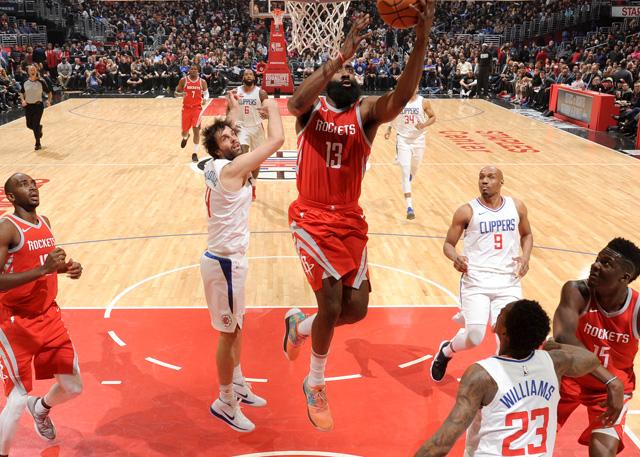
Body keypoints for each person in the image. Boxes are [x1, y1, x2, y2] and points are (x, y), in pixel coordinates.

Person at [281, 0, 436, 432]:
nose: (348, 77)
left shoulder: (365, 116)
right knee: (331, 303)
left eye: (353, 74)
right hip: (311, 217)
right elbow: (294, 101)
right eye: (342, 74)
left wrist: (421, 38)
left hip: (349, 219)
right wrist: (338, 58)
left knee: (356, 310)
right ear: (332, 78)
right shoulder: (311, 112)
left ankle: (299, 326)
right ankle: (314, 383)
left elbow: (403, 96)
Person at [414, 299, 601, 457]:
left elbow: (441, 445)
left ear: (503, 331)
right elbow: (591, 359)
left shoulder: (482, 375)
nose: (499, 312)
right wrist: (553, 345)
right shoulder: (554, 363)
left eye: (502, 312)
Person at [201, 93, 284, 432]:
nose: (234, 138)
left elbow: (233, 129)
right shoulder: (233, 169)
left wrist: (233, 110)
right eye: (227, 138)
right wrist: (274, 106)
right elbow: (278, 139)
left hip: (229, 261)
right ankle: (224, 401)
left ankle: (236, 383)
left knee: (237, 328)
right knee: (227, 333)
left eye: (233, 135)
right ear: (219, 150)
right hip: (223, 263)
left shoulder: (215, 165)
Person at [0, 173, 83, 455]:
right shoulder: (7, 229)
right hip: (16, 322)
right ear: (10, 197)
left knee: (73, 387)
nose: (32, 187)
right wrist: (44, 270)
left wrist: (66, 268)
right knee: (16, 398)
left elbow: (41, 263)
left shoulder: (45, 222)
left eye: (32, 183)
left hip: (49, 316)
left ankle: (42, 407)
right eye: (23, 185)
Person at [431, 166, 533, 382]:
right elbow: (448, 244)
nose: (484, 181)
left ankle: (501, 381)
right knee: (475, 337)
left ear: (502, 181)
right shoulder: (467, 211)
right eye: (481, 177)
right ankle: (446, 351)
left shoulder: (516, 206)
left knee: (507, 334)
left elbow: (527, 234)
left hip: (508, 281)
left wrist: (525, 257)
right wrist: (456, 257)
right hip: (476, 281)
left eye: (490, 177)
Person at [552, 238, 640, 456]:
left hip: (606, 392)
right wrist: (610, 380)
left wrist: (614, 383)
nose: (596, 265)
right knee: (531, 438)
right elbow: (563, 337)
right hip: (567, 378)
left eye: (606, 263)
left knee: (603, 452)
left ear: (625, 277)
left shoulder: (637, 309)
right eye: (598, 259)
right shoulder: (576, 291)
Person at [384, 86, 436, 219]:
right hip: (403, 139)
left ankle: (407, 179)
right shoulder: (400, 101)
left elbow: (433, 117)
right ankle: (409, 207)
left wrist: (424, 125)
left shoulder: (423, 101)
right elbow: (393, 115)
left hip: (419, 139)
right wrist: (389, 128)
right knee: (405, 172)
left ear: (417, 87)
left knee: (414, 169)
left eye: (415, 85)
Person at [233, 69, 268, 201]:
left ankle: (253, 185)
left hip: (257, 127)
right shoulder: (236, 91)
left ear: (254, 77)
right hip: (241, 127)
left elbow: (267, 110)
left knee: (256, 160)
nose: (248, 76)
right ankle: (244, 185)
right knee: (243, 154)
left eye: (250, 74)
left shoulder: (261, 93)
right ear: (243, 77)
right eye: (246, 74)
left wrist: (266, 113)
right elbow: (229, 108)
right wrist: (231, 123)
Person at [175, 64, 209, 163]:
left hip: (197, 109)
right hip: (186, 109)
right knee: (184, 132)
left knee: (196, 130)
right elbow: (175, 93)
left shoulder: (202, 82)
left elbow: (206, 93)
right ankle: (186, 137)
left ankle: (195, 153)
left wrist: (205, 99)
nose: (193, 70)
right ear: (189, 70)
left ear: (198, 71)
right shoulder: (183, 80)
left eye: (195, 69)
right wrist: (181, 94)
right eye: (191, 68)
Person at [19, 65, 52, 151]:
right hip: (28, 106)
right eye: (31, 70)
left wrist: (48, 100)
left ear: (36, 71)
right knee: (29, 125)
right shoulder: (25, 82)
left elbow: (49, 92)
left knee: (35, 124)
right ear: (28, 72)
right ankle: (39, 129)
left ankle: (38, 143)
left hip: (38, 106)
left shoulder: (41, 81)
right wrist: (23, 100)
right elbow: (21, 92)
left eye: (34, 69)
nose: (33, 71)